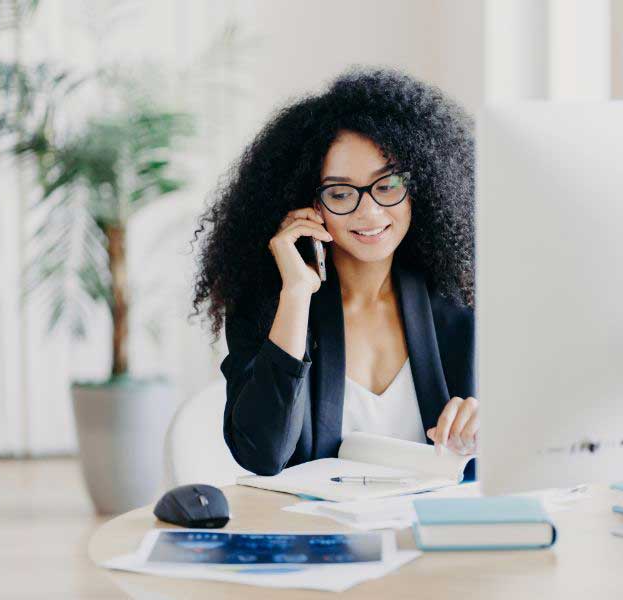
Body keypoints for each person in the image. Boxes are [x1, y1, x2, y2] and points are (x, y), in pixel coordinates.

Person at [191, 67, 477, 476]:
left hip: (432, 531)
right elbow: (263, 454)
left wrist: (486, 423)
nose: (370, 211)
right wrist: (296, 295)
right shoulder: (272, 304)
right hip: (317, 535)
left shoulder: (461, 299)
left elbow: (516, 437)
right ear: (310, 204)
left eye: (388, 184)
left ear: (423, 184)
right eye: (341, 193)